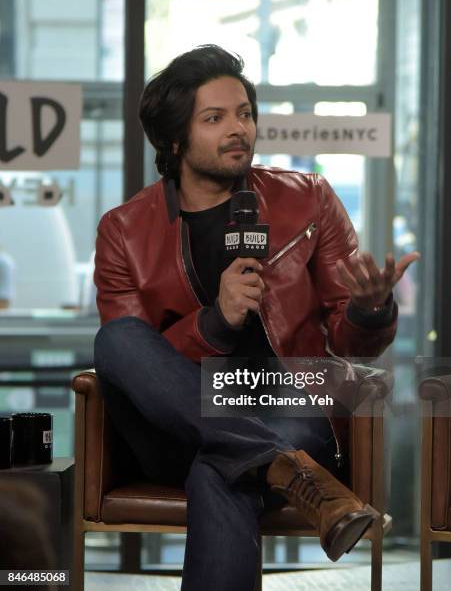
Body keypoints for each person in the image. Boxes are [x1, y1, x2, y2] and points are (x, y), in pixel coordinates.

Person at [93, 44, 419, 590]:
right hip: (175, 422)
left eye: (244, 113)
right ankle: (279, 462)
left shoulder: (307, 200)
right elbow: (138, 366)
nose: (238, 129)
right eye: (214, 118)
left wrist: (368, 310)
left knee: (220, 470)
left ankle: (268, 458)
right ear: (175, 139)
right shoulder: (123, 230)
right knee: (119, 339)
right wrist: (215, 322)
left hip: (285, 407)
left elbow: (350, 348)